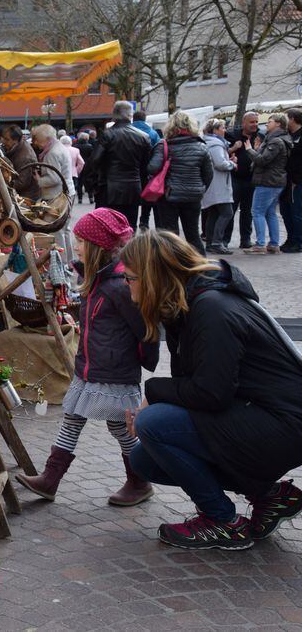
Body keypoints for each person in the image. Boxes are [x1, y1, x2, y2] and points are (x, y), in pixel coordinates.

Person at [121, 230, 302, 550]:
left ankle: (222, 521)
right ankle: (271, 496)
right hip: (261, 415)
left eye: (130, 277)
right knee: (143, 459)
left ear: (153, 277)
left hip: (284, 425)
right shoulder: (188, 305)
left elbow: (211, 394)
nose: (126, 284)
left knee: (155, 425)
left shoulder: (211, 308)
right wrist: (154, 400)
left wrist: (152, 394)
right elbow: (194, 387)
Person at [17, 209, 159, 506]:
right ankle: (50, 479)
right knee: (71, 419)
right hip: (90, 368)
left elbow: (145, 330)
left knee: (120, 427)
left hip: (114, 373)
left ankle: (139, 481)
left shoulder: (120, 286)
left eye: (80, 241)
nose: (76, 246)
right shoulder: (95, 279)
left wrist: (143, 363)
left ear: (96, 247)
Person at [147, 110, 212, 254]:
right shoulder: (201, 146)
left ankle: (173, 269)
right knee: (193, 235)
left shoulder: (163, 145)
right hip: (193, 196)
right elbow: (209, 175)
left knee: (170, 236)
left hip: (169, 195)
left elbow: (152, 168)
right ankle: (201, 269)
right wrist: (200, 189)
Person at [86, 101, 152, 226]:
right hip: (133, 188)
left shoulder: (107, 135)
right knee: (129, 227)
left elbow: (93, 162)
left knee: (106, 228)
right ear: (130, 115)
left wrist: (92, 186)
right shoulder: (143, 137)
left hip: (108, 190)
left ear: (114, 114)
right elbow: (145, 168)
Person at [243, 112, 293, 254]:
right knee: (270, 212)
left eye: (269, 121)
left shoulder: (276, 141)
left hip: (268, 181)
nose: (266, 124)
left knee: (257, 211)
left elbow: (262, 160)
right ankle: (273, 244)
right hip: (275, 181)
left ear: (278, 123)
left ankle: (260, 245)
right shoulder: (280, 139)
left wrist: (250, 150)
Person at [225, 112, 263, 248]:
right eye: (252, 122)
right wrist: (233, 149)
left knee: (248, 211)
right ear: (244, 123)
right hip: (235, 178)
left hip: (252, 179)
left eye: (256, 122)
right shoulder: (231, 135)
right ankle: (225, 239)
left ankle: (245, 239)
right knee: (230, 210)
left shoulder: (260, 137)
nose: (255, 125)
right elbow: (223, 153)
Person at [201, 118, 236, 255]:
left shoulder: (209, 142)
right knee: (227, 213)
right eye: (222, 127)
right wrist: (232, 164)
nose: (225, 130)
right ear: (214, 130)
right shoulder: (215, 144)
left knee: (214, 213)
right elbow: (220, 163)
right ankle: (216, 242)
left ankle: (210, 242)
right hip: (219, 185)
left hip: (213, 184)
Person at [31, 124, 73, 200]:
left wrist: (39, 180)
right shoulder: (59, 146)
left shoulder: (52, 153)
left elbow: (54, 178)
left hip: (56, 195)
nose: (36, 143)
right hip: (66, 192)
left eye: (38, 140)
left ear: (47, 139)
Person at [280, 108, 302, 252]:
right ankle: (290, 238)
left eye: (286, 118)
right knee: (285, 211)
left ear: (292, 119)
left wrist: (297, 179)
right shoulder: (287, 135)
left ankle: (298, 241)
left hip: (297, 181)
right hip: (285, 180)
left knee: (296, 212)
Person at [0, 124, 40, 201]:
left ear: (15, 140)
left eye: (7, 140)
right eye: (4, 139)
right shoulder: (17, 147)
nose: (4, 142)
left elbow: (22, 183)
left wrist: (6, 183)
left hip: (27, 197)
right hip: (22, 194)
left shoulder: (25, 157)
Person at [60, 134, 85, 200]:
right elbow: (81, 163)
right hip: (73, 173)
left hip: (60, 173)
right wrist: (77, 171)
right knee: (71, 191)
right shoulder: (76, 150)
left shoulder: (58, 150)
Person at [75, 131, 95, 204]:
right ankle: (91, 197)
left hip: (78, 165)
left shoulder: (75, 146)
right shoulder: (89, 146)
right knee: (89, 182)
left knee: (79, 182)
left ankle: (80, 198)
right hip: (87, 166)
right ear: (87, 138)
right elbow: (92, 157)